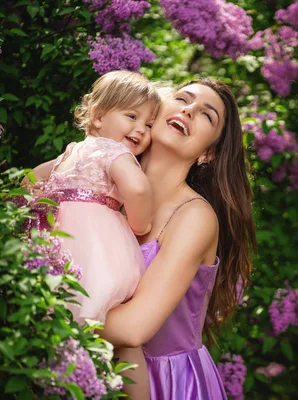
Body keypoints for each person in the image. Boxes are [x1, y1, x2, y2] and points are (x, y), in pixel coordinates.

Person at [99, 78, 256, 399]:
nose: (189, 110)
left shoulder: (194, 218)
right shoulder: (100, 179)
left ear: (208, 154)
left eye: (206, 115)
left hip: (168, 383)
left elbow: (133, 330)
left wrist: (50, 311)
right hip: (90, 365)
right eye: (183, 99)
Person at [24, 70, 160, 399]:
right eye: (132, 116)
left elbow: (29, 181)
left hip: (68, 258)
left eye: (149, 124)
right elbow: (139, 190)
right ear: (98, 118)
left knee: (64, 339)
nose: (141, 129)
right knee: (125, 350)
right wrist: (140, 225)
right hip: (98, 254)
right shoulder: (112, 152)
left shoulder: (70, 154)